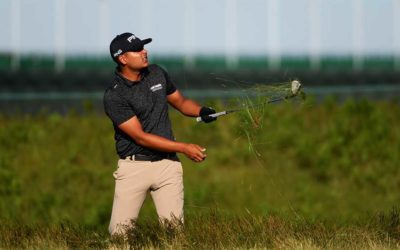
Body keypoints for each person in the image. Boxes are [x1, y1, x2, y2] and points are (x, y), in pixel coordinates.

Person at [103, 32, 217, 235]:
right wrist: (184, 147)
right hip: (134, 168)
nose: (144, 51)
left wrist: (201, 111)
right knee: (120, 236)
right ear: (123, 59)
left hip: (167, 166)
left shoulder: (157, 73)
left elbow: (180, 102)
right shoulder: (115, 95)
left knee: (175, 234)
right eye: (137, 50)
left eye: (143, 47)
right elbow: (140, 137)